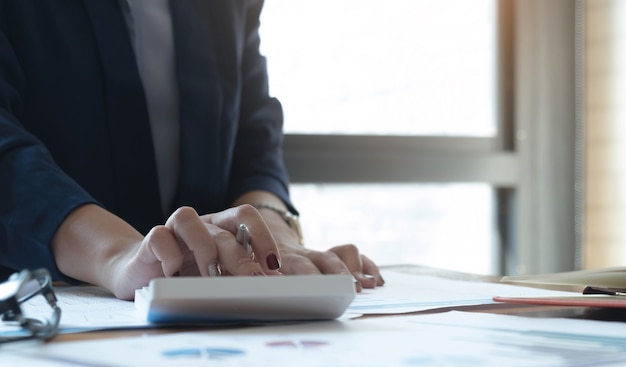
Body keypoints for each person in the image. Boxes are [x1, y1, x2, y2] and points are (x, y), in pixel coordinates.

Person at [0, 0, 383, 300]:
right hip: (43, 303)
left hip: (213, 311)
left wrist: (271, 235)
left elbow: (252, 136)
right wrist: (118, 255)